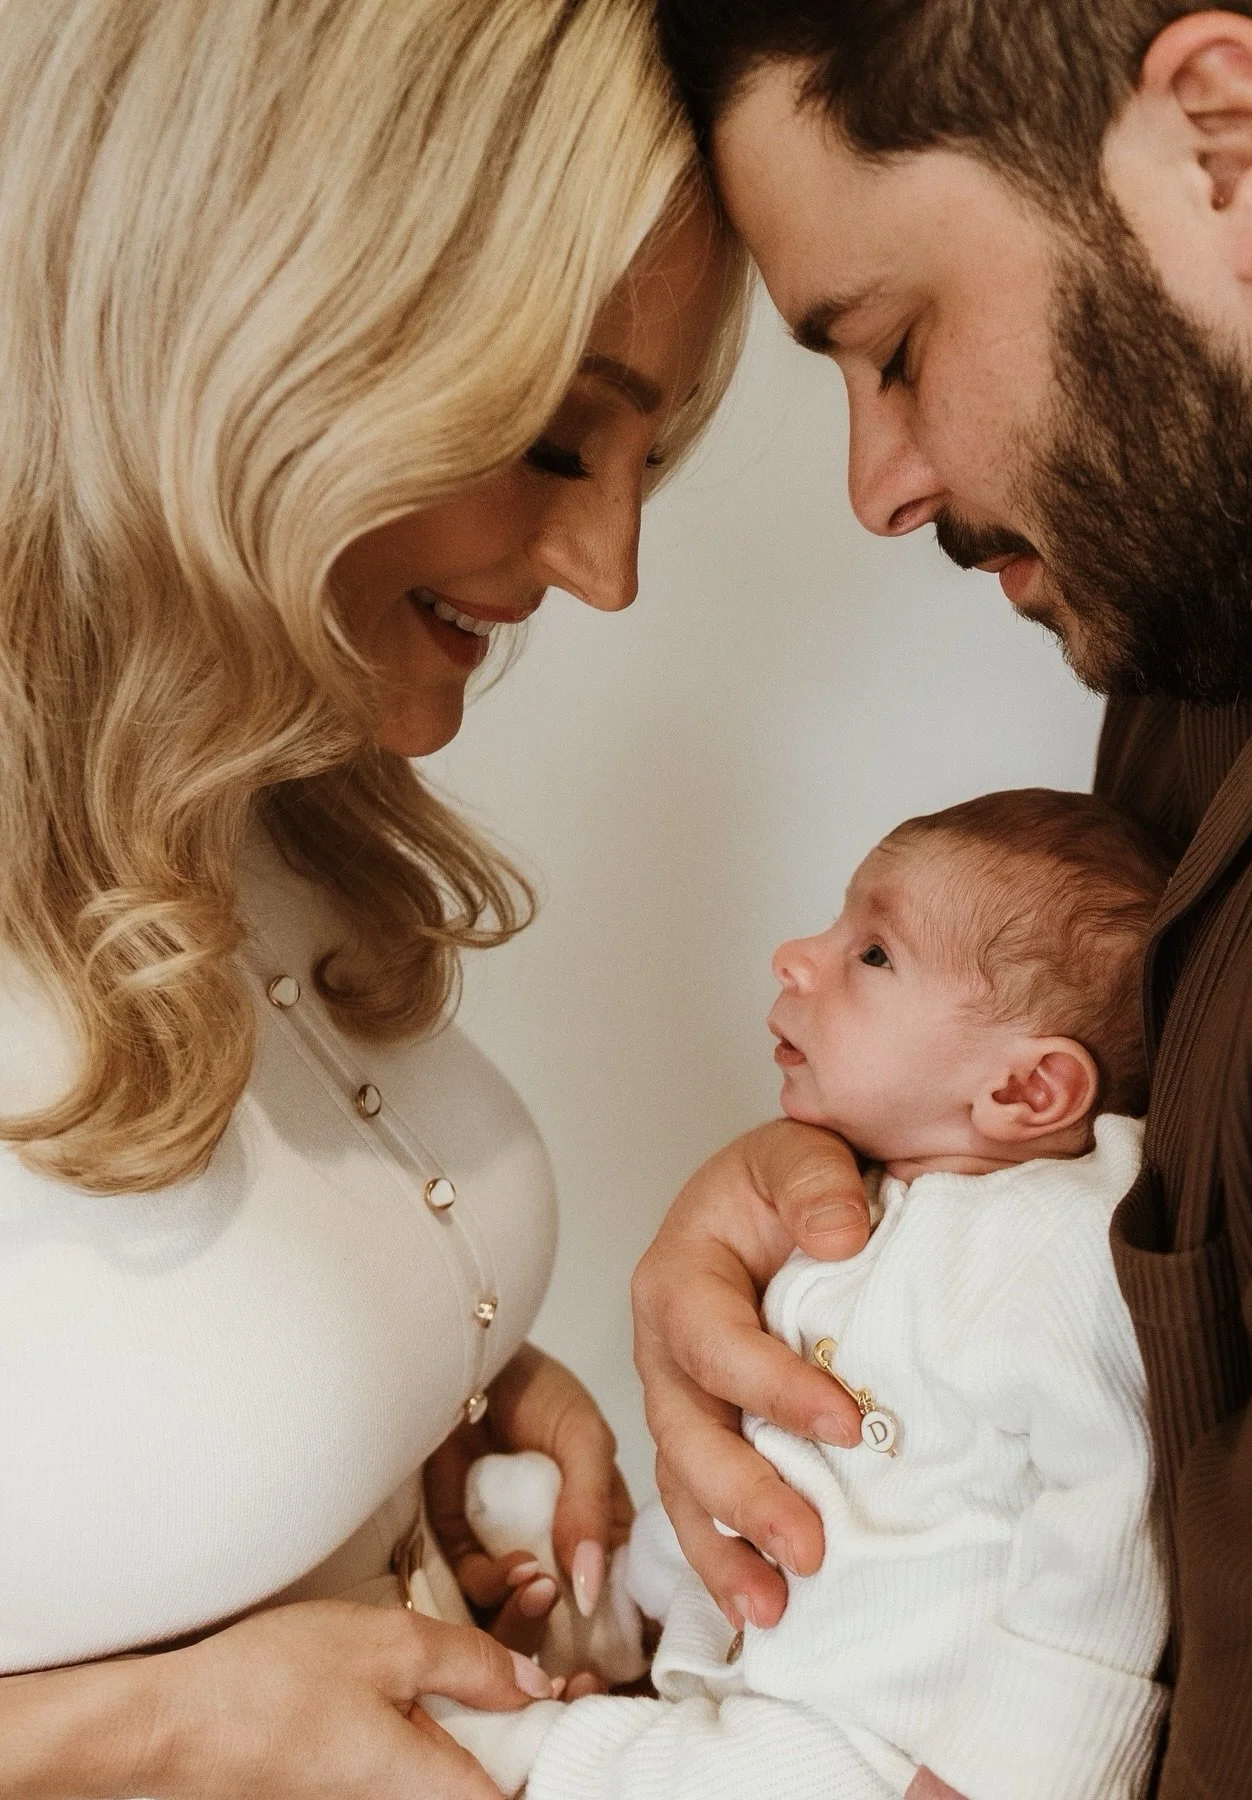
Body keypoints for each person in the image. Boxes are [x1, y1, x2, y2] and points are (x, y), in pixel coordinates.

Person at [635, 5, 1252, 1798]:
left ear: (1222, 147)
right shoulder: (1218, 631)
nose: (878, 484)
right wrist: (819, 1194)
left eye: (896, 345)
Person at [0, 4, 746, 1797]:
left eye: (653, 460)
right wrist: (153, 1732)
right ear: (261, 324)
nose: (612, 569)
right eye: (562, 444)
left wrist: (425, 1412)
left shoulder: (249, 785)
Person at [446, 790, 1173, 1800]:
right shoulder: (867, 1192)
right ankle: (612, 1605)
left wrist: (1010, 1771)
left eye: (873, 954)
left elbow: (1111, 1527)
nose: (796, 954)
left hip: (880, 1735)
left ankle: (515, 1753)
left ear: (1026, 1092)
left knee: (672, 1778)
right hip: (771, 1647)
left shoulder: (1057, 1244)